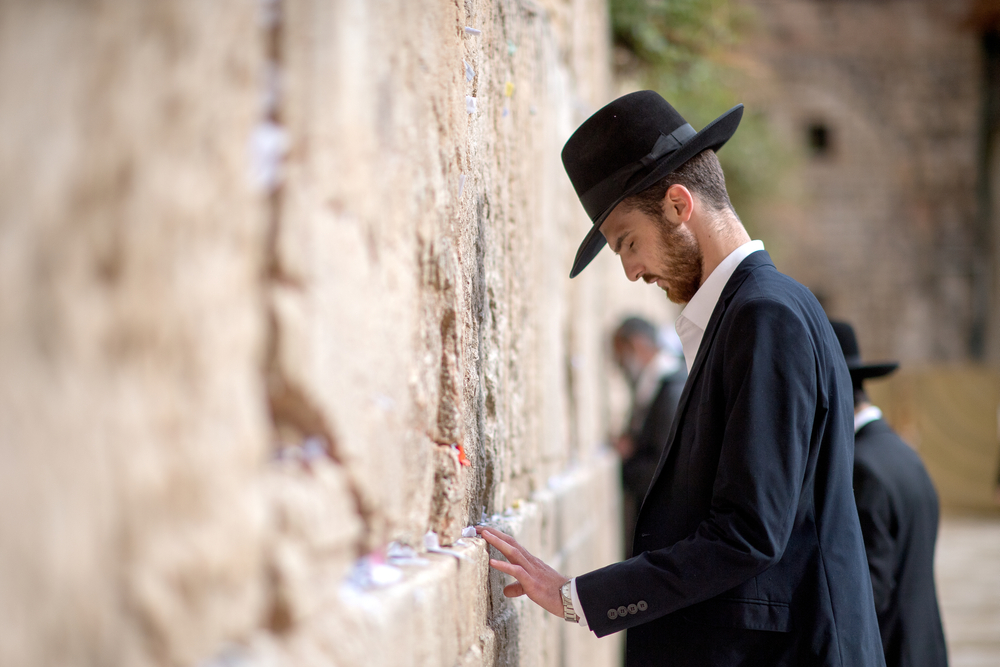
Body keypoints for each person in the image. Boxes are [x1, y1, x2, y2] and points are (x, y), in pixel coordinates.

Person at [476, 90, 885, 666]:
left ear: (676, 205)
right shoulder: (759, 310)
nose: (631, 270)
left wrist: (578, 597)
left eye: (627, 242)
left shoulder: (765, 315)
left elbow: (748, 533)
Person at [830, 320, 949, 667]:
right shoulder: (903, 454)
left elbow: (868, 592)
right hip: (926, 649)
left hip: (894, 652)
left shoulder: (862, 469)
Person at [610, 316, 685, 556]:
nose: (620, 365)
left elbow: (666, 468)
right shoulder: (655, 384)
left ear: (638, 345)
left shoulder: (672, 388)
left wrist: (627, 460)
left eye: (621, 356)